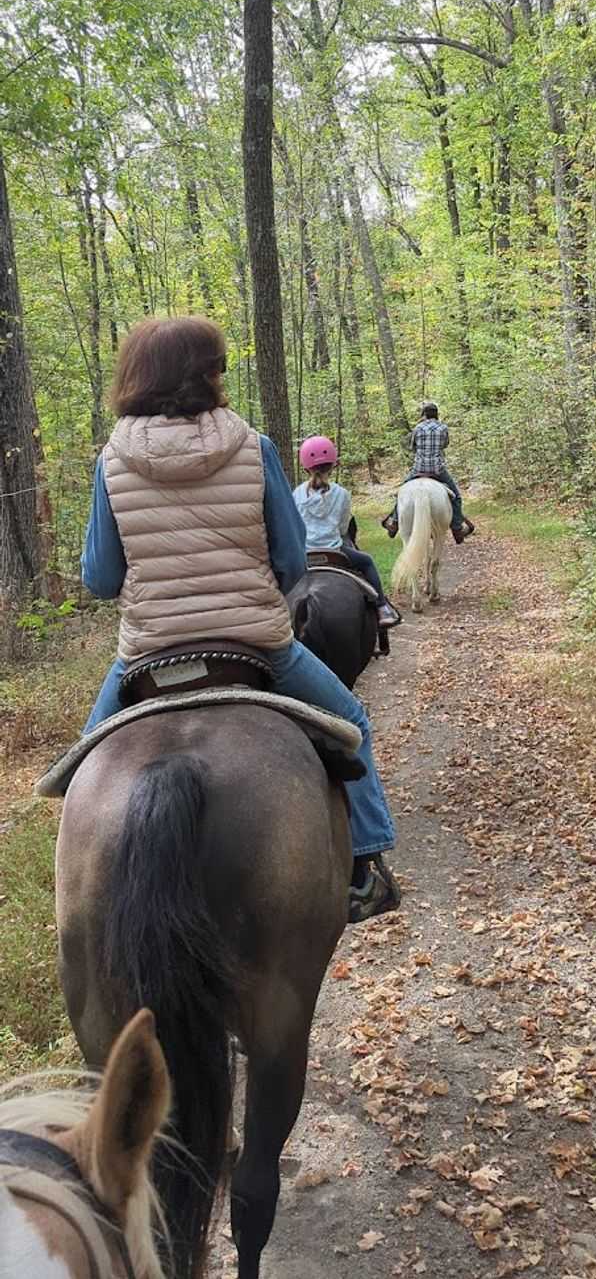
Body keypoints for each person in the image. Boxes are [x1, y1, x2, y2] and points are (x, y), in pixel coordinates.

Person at [79, 315, 399, 924]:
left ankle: (86, 900)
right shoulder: (254, 446)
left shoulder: (111, 461)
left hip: (148, 651)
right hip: (256, 644)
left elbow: (98, 579)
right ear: (206, 376)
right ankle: (364, 868)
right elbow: (289, 558)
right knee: (351, 722)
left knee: (75, 775)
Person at [293, 437, 401, 629]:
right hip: (334, 552)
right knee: (366, 561)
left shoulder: (297, 493)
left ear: (305, 468)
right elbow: (344, 529)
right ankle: (382, 607)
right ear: (333, 466)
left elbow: (296, 525)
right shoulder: (342, 494)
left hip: (304, 554)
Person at [382, 401, 475, 542]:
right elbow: (445, 444)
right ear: (436, 414)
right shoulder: (443, 427)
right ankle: (457, 529)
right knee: (456, 496)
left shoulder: (418, 428)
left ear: (424, 414)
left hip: (419, 469)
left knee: (402, 492)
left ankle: (394, 522)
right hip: (438, 470)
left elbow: (412, 447)